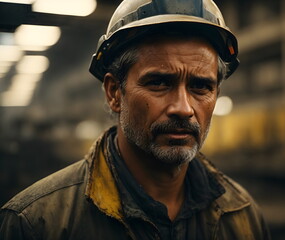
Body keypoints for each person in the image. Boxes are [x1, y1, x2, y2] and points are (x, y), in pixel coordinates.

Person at [0, 0, 270, 239]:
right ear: (114, 92)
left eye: (200, 87)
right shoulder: (35, 224)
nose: (183, 108)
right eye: (159, 83)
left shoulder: (242, 215)